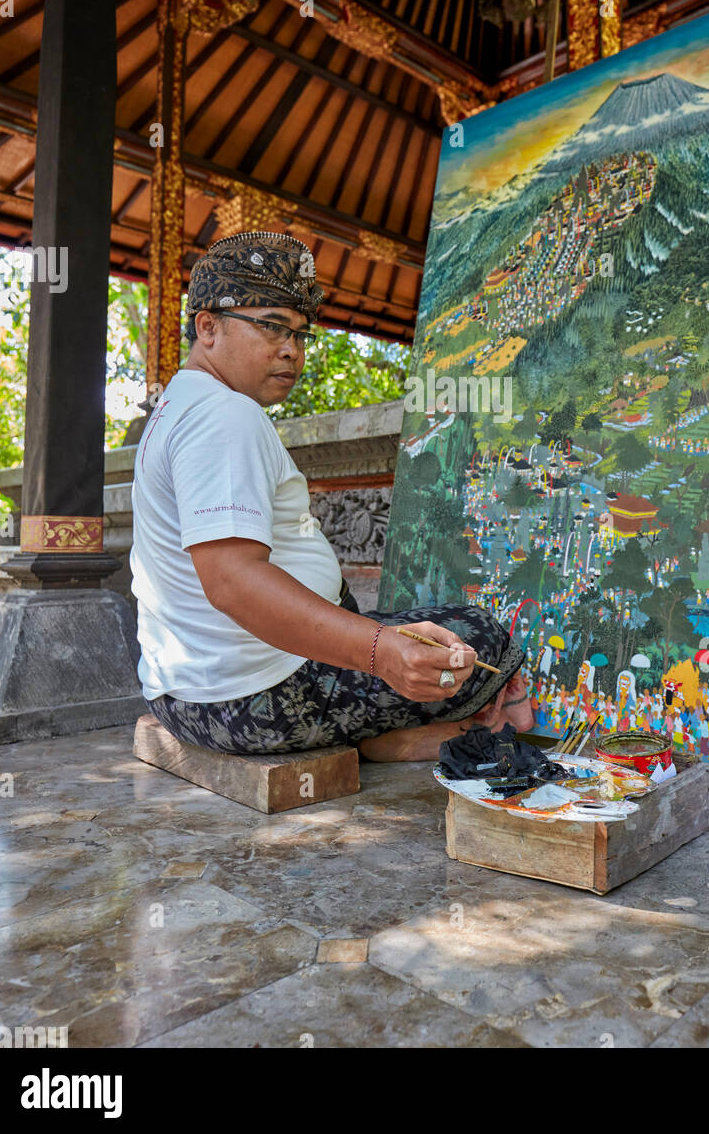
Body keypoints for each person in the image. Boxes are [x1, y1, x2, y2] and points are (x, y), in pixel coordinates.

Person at [130, 231, 531, 761]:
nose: (290, 350)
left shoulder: (179, 407)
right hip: (254, 698)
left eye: (299, 334)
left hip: (188, 697)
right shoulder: (223, 415)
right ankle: (401, 733)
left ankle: (380, 738)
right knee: (479, 637)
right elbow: (231, 582)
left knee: (418, 633)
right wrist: (381, 652)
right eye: (272, 326)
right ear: (208, 326)